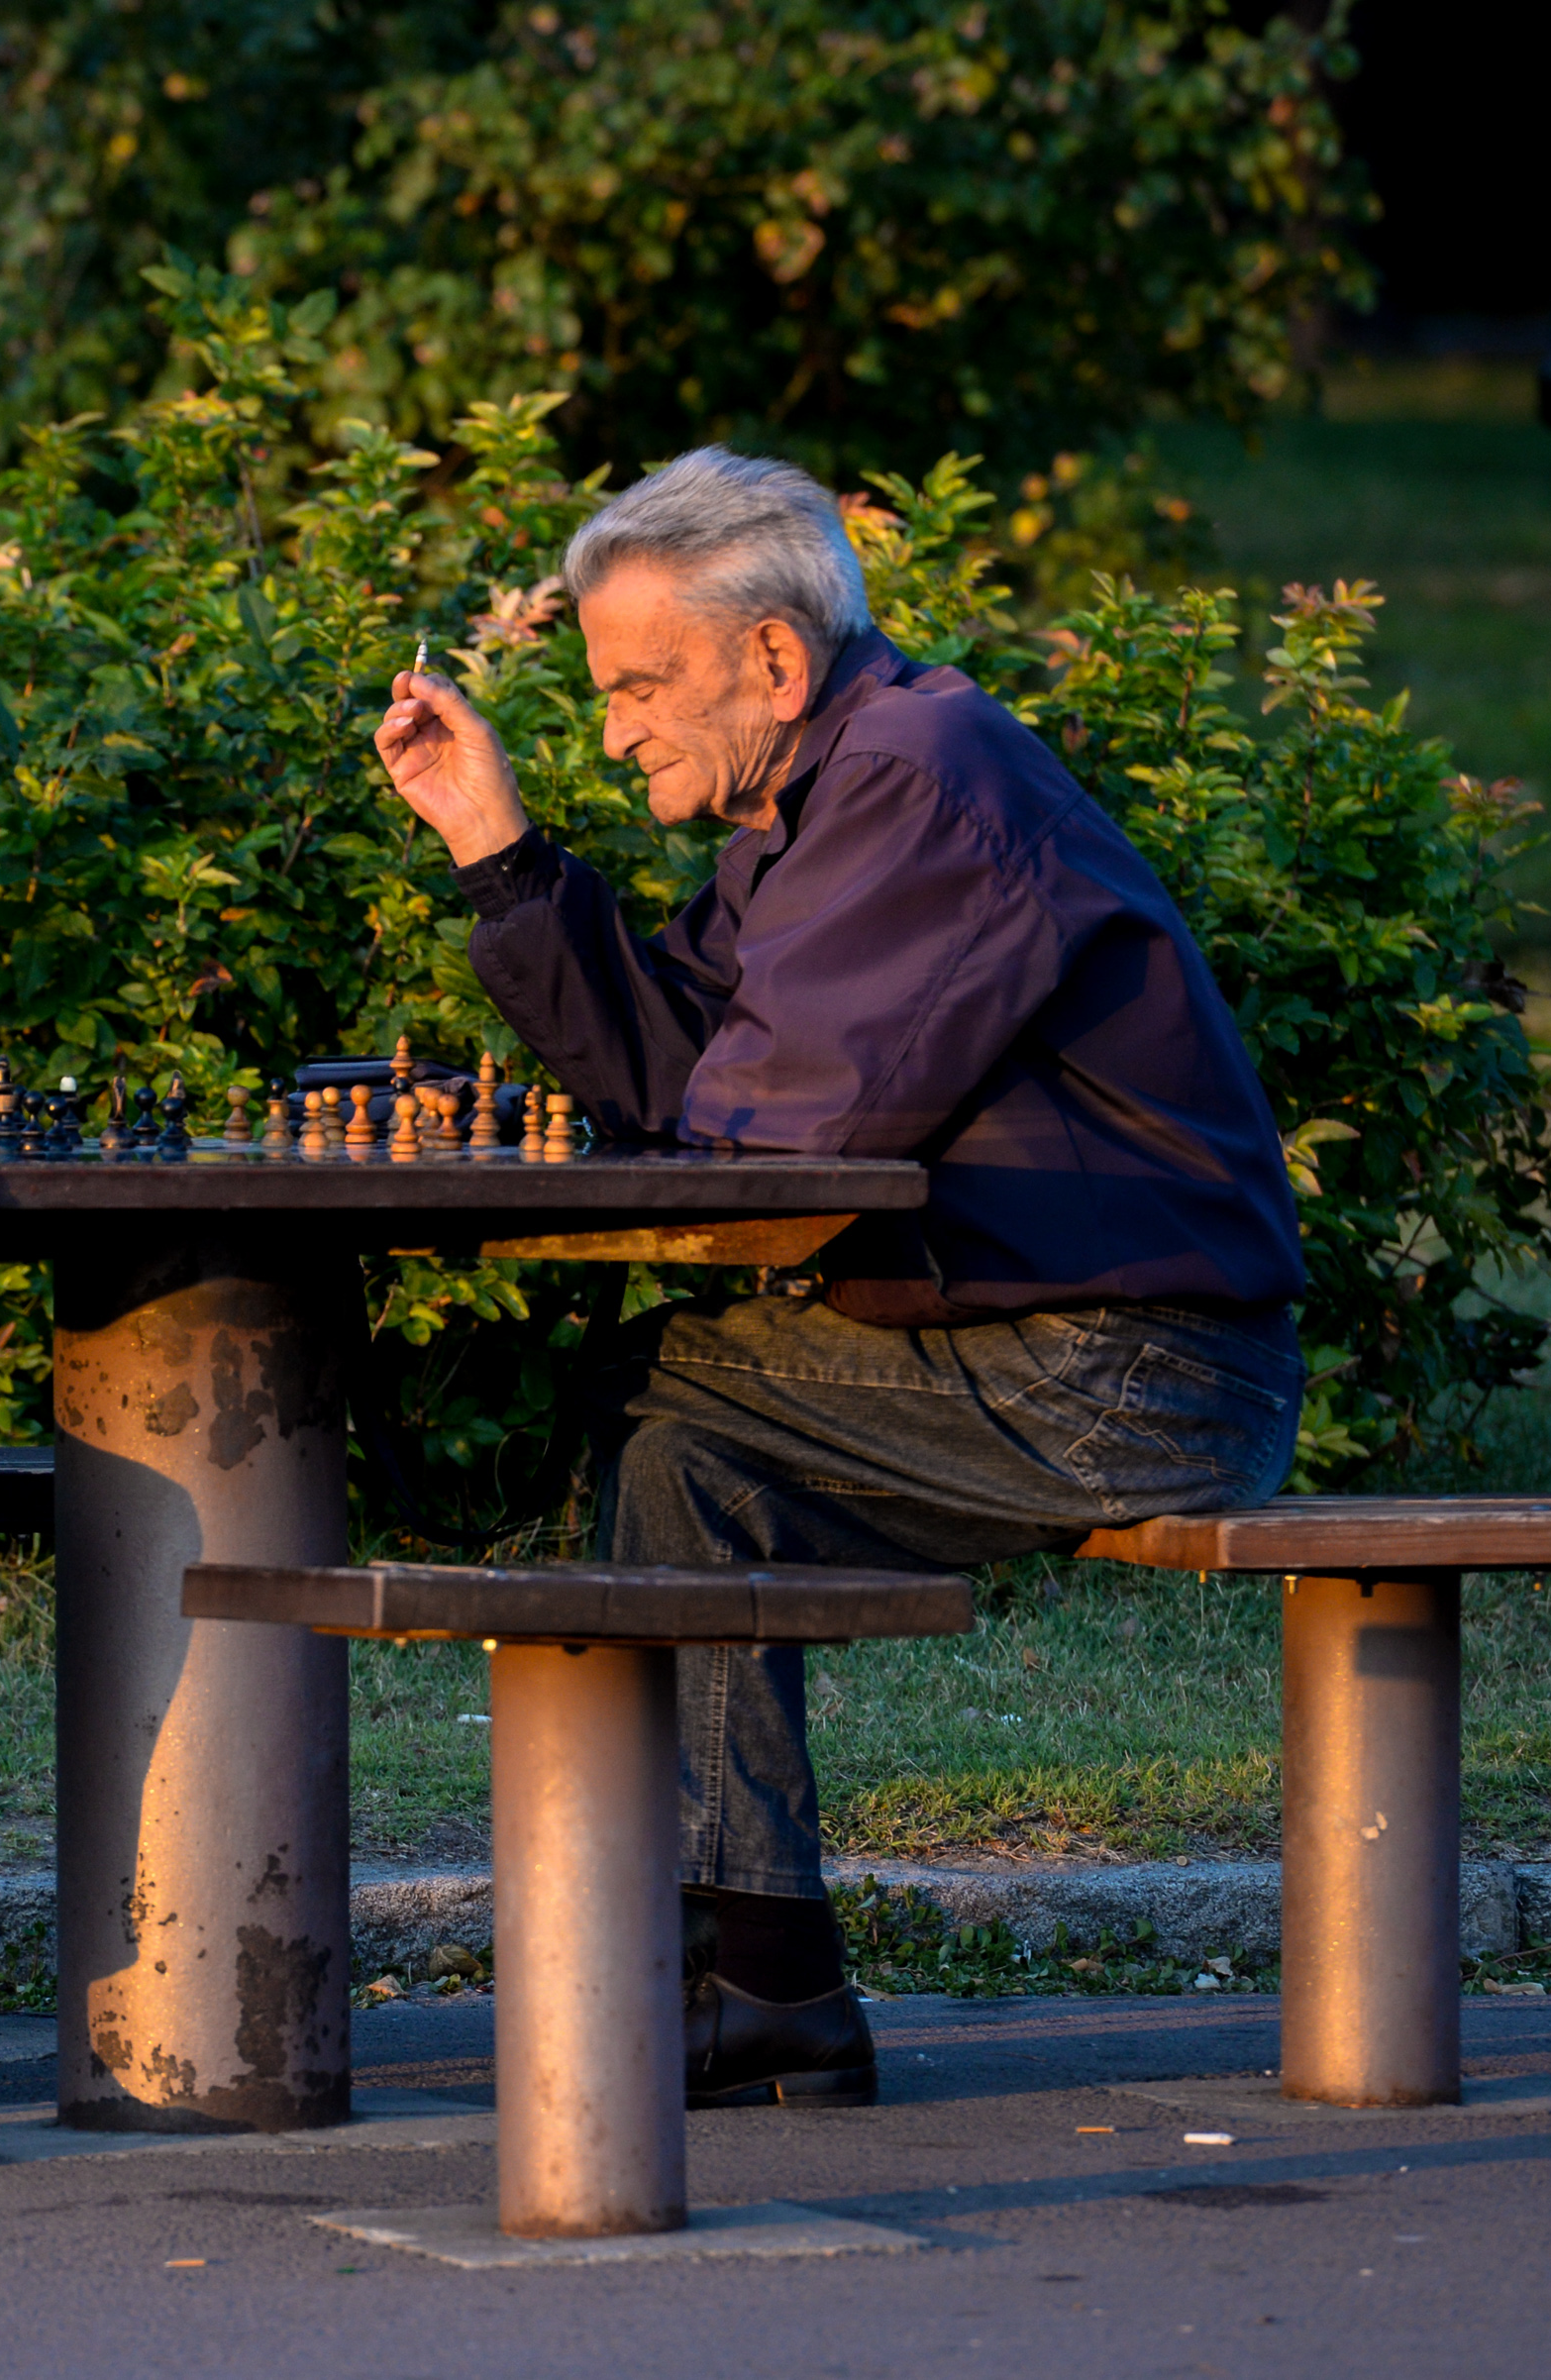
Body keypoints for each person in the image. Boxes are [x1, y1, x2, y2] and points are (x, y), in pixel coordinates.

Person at [371, 450, 1306, 2110]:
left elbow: (773, 1139)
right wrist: (497, 849)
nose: (613, 732)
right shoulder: (829, 794)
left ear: (775, 659)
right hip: (1072, 1340)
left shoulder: (916, 781)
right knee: (685, 1445)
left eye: (639, 686)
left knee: (668, 1397)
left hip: (1133, 1366)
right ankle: (761, 1983)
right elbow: (677, 1069)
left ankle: (735, 1969)